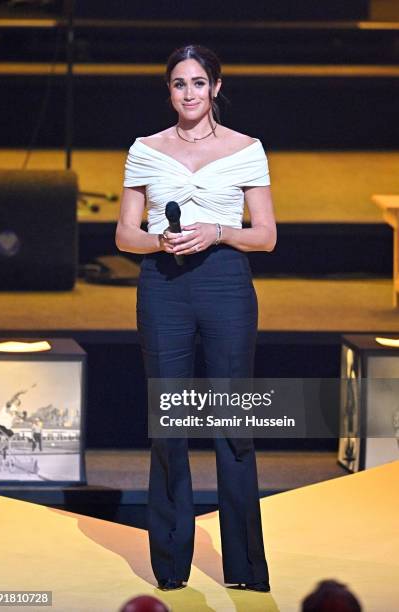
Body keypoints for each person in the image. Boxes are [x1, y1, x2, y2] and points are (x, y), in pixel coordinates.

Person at [116, 44, 276, 592]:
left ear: (216, 87)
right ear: (169, 91)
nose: (189, 93)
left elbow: (266, 235)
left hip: (226, 285)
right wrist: (159, 241)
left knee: (234, 427)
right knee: (169, 429)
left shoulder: (247, 149)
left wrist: (217, 231)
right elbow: (124, 235)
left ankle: (246, 569)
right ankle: (170, 566)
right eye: (180, 84)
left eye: (199, 83)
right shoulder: (144, 150)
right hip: (164, 288)